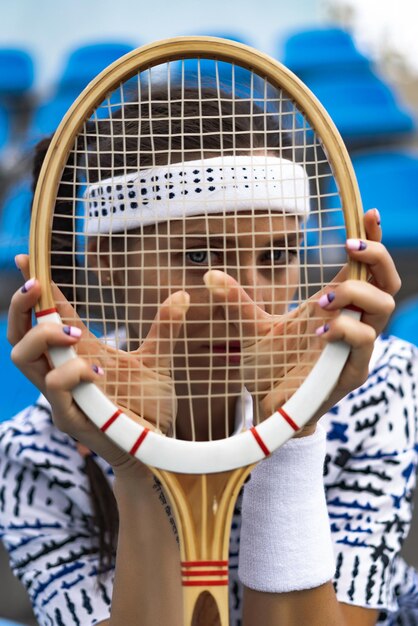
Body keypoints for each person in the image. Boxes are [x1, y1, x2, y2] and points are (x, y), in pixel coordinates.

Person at [0, 83, 417, 626]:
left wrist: (291, 436)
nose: (243, 298)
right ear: (105, 258)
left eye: (277, 255)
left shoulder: (377, 385)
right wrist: (134, 468)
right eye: (198, 255)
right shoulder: (34, 458)